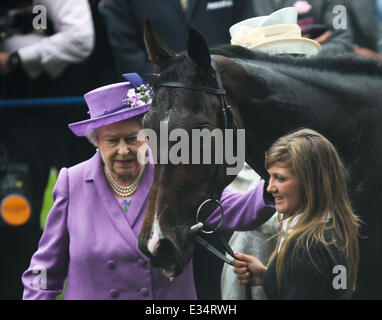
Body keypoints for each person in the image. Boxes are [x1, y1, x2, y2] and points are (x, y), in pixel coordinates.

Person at [21, 74, 275, 299]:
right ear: (96, 141)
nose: (123, 150)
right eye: (112, 141)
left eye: (133, 138)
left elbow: (235, 209)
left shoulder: (173, 172)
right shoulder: (72, 182)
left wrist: (272, 184)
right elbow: (43, 269)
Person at [232, 129, 360, 299]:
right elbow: (328, 290)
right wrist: (268, 277)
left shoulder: (306, 248)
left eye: (280, 178)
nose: (270, 188)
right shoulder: (335, 231)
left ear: (310, 183)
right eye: (270, 177)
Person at [98, 0, 255, 78]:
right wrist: (163, 83)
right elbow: (125, 49)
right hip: (161, 99)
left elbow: (247, 32)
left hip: (228, 91)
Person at [251, 0, 355, 54]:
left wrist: (305, 52)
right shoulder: (253, 2)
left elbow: (344, 42)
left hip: (316, 73)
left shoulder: (336, 3)